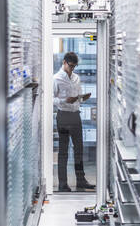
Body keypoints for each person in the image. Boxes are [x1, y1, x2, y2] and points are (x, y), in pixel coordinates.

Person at [53, 52, 95, 192]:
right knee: (63, 152)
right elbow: (50, 99)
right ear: (64, 62)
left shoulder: (76, 78)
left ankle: (81, 180)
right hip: (63, 116)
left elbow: (78, 98)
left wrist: (83, 98)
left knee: (79, 150)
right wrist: (64, 100)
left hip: (75, 116)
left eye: (75, 66)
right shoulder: (56, 78)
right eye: (71, 66)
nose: (72, 69)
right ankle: (63, 184)